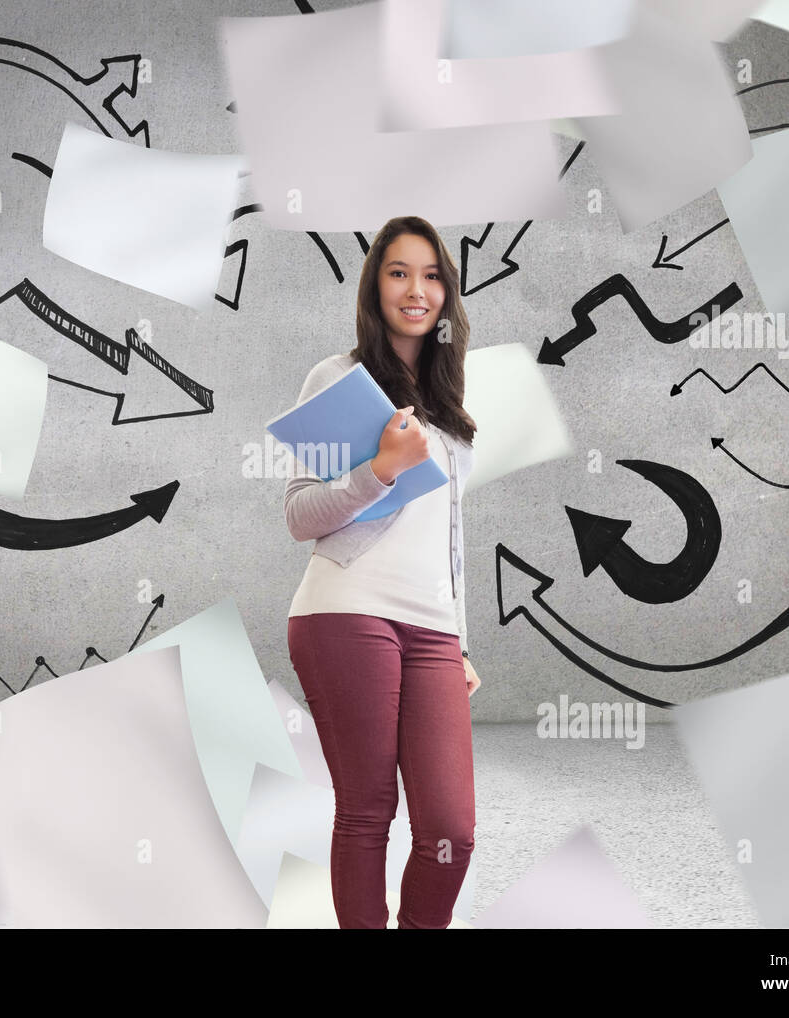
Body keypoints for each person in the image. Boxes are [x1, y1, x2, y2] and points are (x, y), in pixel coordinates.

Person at [284, 215, 479, 929]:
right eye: (399, 272)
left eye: (431, 275)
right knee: (368, 811)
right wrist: (378, 471)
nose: (416, 289)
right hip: (345, 610)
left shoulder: (452, 404)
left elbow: (452, 536)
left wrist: (459, 642)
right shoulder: (337, 379)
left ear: (446, 294)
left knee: (450, 830)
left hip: (431, 628)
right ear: (375, 286)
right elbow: (301, 515)